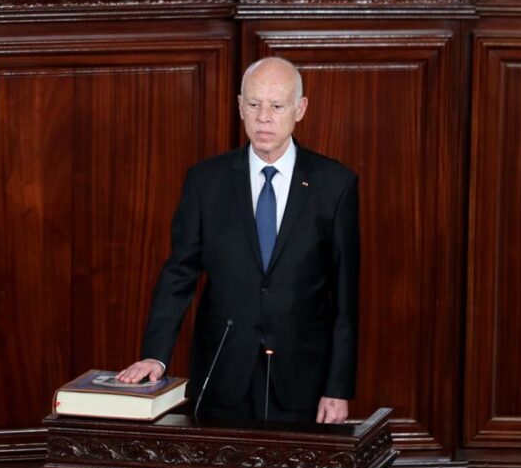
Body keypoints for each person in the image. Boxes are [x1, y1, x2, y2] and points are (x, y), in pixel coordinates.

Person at [117, 57, 359, 424]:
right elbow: (179, 274)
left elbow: (345, 296)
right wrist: (156, 354)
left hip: (302, 378)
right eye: (253, 104)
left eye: (276, 106)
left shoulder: (334, 184)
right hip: (222, 371)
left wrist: (338, 387)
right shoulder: (206, 181)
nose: (264, 117)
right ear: (240, 107)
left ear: (300, 109)